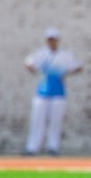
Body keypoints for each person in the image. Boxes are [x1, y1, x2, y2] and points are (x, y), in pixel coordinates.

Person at [24, 27, 83, 156]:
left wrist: (66, 73)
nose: (52, 42)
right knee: (37, 120)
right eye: (50, 39)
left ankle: (53, 147)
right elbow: (28, 63)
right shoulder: (41, 54)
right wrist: (36, 72)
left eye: (54, 39)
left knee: (55, 121)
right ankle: (32, 148)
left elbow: (78, 66)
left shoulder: (65, 55)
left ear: (57, 40)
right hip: (42, 91)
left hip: (58, 92)